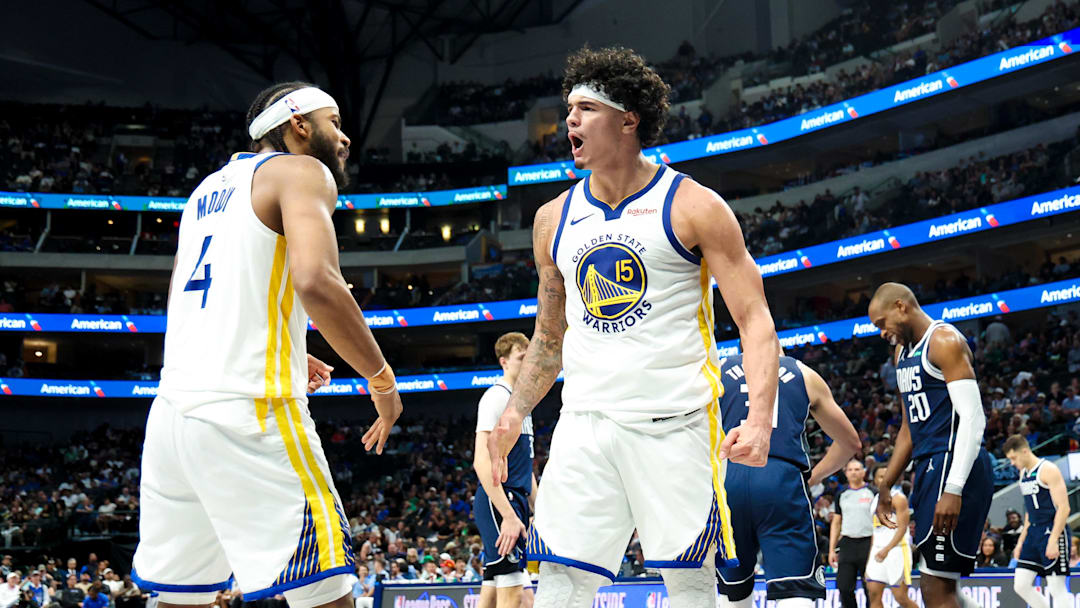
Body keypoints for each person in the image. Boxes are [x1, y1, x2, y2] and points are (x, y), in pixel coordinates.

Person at [488, 46, 779, 608]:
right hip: (584, 423)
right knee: (560, 581)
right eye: (568, 108)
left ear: (628, 118)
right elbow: (549, 338)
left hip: (673, 423)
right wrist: (514, 412)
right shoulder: (553, 219)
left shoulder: (694, 205)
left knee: (691, 583)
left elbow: (754, 317)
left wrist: (760, 419)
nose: (569, 119)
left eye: (586, 108)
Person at [131, 82, 404, 608]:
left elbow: (188, 304)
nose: (344, 138)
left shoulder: (205, 192)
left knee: (181, 600)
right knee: (325, 593)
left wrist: (282, 341)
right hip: (250, 414)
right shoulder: (304, 171)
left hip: (172, 421)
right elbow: (317, 282)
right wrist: (381, 378)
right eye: (334, 121)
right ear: (298, 124)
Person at [868, 282, 994, 608]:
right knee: (939, 584)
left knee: (936, 589)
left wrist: (953, 488)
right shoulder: (901, 354)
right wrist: (886, 485)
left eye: (882, 323)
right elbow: (909, 428)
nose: (881, 332)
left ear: (901, 307)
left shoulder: (944, 342)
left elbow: (974, 419)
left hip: (953, 464)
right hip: (929, 466)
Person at [715, 354, 860, 608]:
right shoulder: (804, 374)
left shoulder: (719, 371)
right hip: (782, 476)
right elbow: (850, 443)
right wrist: (813, 476)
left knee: (733, 594)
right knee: (795, 591)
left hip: (729, 478)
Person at [472, 333, 535, 608]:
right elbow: (481, 460)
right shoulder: (496, 397)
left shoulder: (522, 406)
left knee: (503, 589)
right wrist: (508, 515)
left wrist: (538, 511)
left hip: (515, 501)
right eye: (522, 357)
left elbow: (526, 466)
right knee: (514, 595)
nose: (529, 362)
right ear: (504, 362)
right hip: (501, 500)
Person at [1004, 434, 1072, 608]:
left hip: (1052, 529)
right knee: (1020, 584)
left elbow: (1064, 508)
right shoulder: (1023, 473)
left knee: (1056, 588)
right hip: (1033, 531)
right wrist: (1020, 542)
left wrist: (1053, 540)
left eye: (1013, 458)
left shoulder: (1048, 469)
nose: (1012, 463)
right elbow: (1029, 511)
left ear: (1025, 451)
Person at [865, 466, 917, 608]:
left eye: (887, 476)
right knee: (874, 595)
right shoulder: (874, 500)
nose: (884, 479)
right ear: (875, 480)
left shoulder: (899, 499)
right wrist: (870, 554)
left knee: (900, 597)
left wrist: (887, 549)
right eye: (881, 476)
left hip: (897, 550)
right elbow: (874, 530)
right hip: (877, 550)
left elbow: (902, 528)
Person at [828, 460, 874, 608]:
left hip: (869, 543)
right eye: (850, 470)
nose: (854, 472)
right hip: (848, 543)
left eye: (857, 469)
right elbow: (836, 522)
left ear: (863, 472)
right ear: (846, 473)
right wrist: (831, 550)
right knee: (843, 587)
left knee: (871, 588)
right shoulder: (841, 494)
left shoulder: (873, 492)